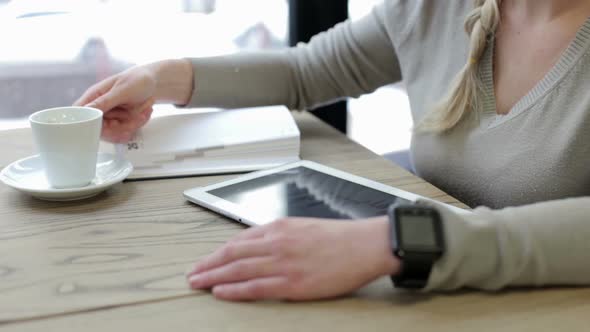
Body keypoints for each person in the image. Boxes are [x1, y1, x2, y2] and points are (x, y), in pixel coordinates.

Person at [76, 0, 590, 302]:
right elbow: (307, 71)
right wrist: (162, 77)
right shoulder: (432, 7)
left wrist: (396, 243)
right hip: (435, 298)